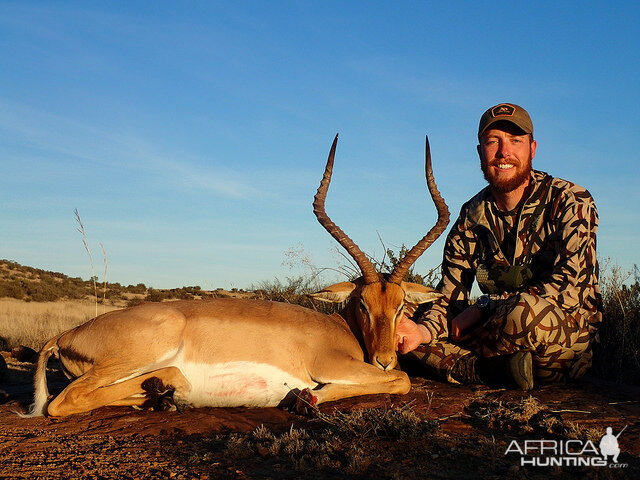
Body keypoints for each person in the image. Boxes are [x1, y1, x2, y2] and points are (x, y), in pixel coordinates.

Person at [396, 103, 602, 390]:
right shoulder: (471, 214)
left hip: (559, 336)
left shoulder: (571, 200)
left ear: (532, 149)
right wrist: (423, 329)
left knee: (524, 313)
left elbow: (570, 288)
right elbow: (449, 296)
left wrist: (485, 306)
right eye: (493, 142)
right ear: (480, 152)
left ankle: (465, 365)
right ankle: (493, 369)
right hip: (494, 330)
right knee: (401, 320)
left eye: (515, 141)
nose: (504, 152)